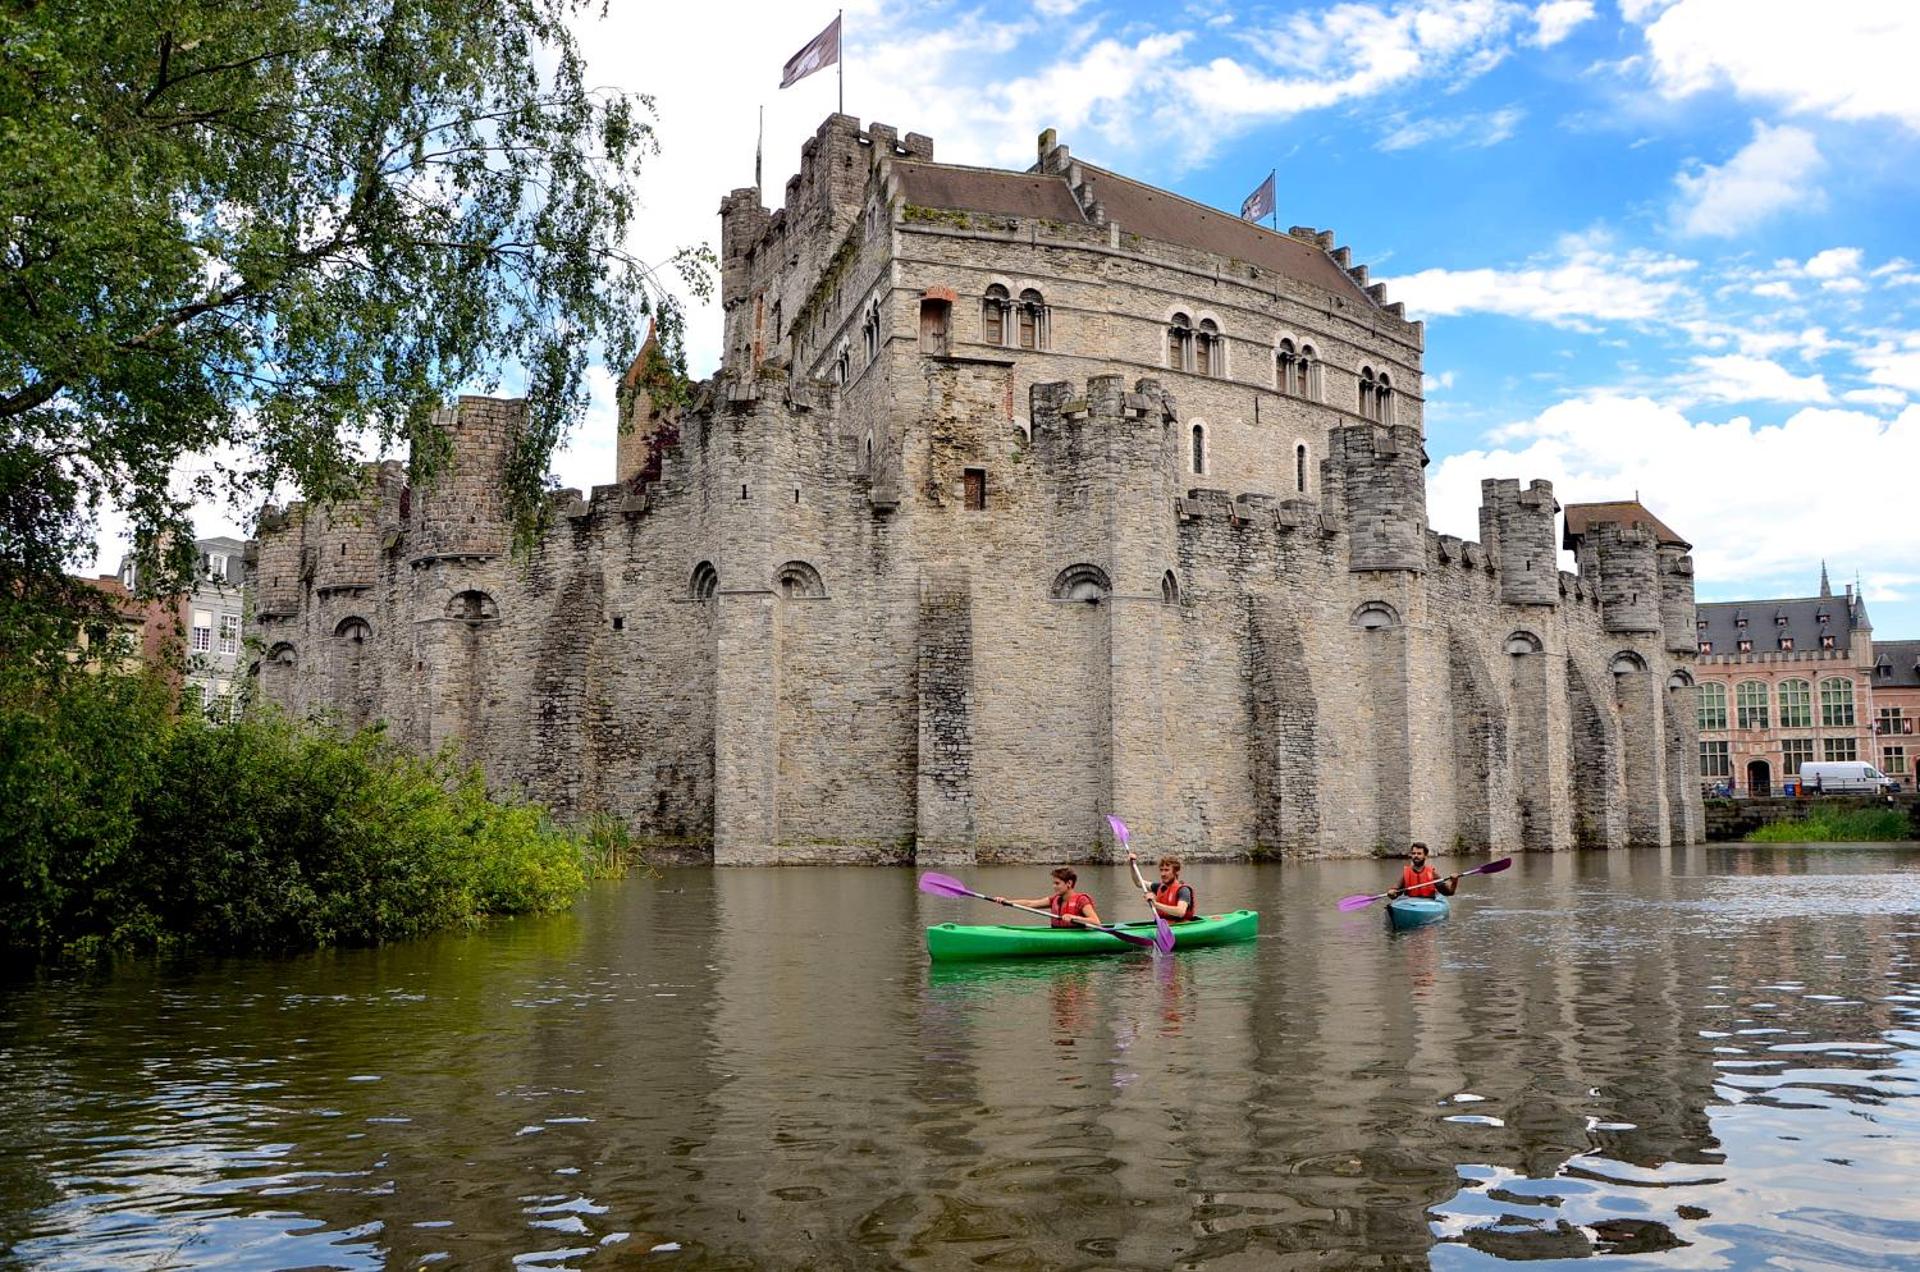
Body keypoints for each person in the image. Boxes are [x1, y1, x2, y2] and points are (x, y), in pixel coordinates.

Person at [997, 867, 1103, 928]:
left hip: (1077, 935)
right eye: (1053, 883)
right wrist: (1006, 902)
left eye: (1057, 883)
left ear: (1069, 883)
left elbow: (1096, 922)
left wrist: (1074, 917)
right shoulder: (1055, 899)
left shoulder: (1081, 900)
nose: (1054, 886)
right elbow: (1030, 903)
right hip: (1058, 933)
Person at [1130, 851, 1198, 922]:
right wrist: (1132, 864)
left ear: (1176, 872)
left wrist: (1156, 904)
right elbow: (1138, 882)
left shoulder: (1183, 890)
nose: (1163, 874)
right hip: (1164, 924)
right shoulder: (1159, 887)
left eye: (1166, 870)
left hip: (1182, 925)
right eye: (1161, 870)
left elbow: (1180, 912)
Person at [1388, 842, 1458, 900]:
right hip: (1410, 904)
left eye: (1419, 853)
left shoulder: (1432, 874)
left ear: (1425, 856)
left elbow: (1449, 892)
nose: (1416, 856)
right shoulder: (1407, 873)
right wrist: (1392, 892)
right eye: (1414, 853)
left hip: (1428, 903)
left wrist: (1454, 881)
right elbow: (1395, 893)